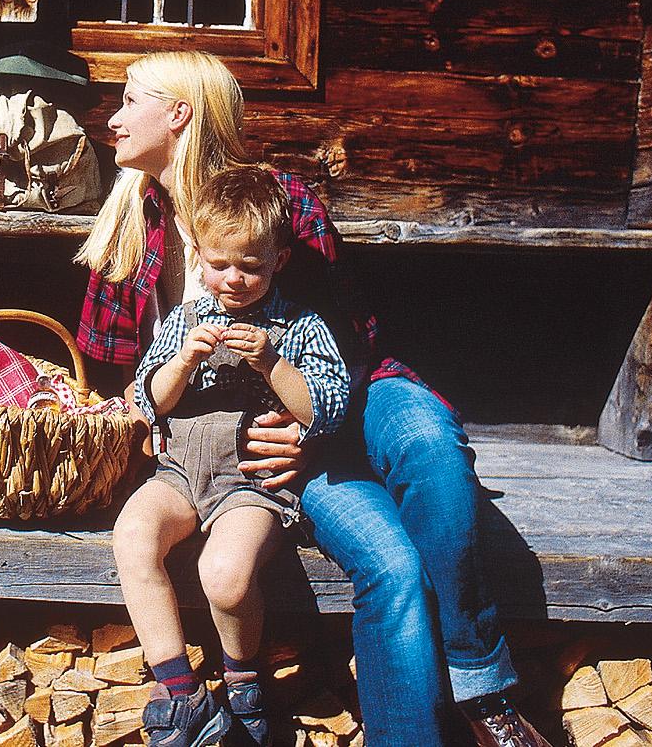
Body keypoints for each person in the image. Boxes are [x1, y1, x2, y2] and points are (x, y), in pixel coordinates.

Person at [75, 51, 553, 747]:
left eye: (128, 100)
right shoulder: (128, 222)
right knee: (392, 565)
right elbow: (122, 373)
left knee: (429, 444)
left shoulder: (279, 201)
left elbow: (349, 338)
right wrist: (156, 414)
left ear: (178, 113)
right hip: (236, 447)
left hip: (351, 390)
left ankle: (481, 687)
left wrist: (311, 431)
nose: (112, 119)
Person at [116, 164, 350, 747]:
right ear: (197, 255)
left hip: (251, 483)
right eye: (219, 264)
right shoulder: (184, 320)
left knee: (223, 575)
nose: (234, 280)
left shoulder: (299, 325)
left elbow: (326, 407)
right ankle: (180, 690)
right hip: (179, 472)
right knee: (134, 536)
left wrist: (272, 362)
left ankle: (245, 683)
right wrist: (183, 361)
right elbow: (149, 399)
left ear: (279, 261)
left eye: (251, 266)